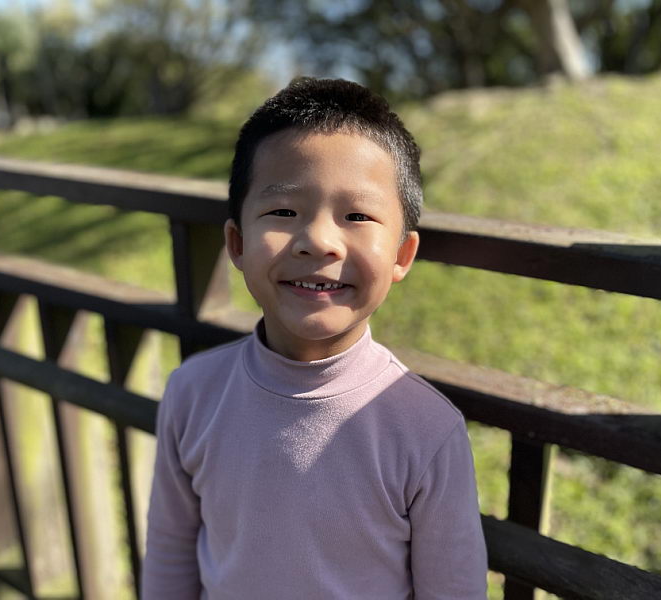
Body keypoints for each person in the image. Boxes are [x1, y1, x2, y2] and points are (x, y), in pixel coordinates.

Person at [142, 77, 488, 599]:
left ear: (401, 255)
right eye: (284, 212)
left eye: (357, 216)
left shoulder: (426, 430)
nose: (319, 241)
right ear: (237, 243)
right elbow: (170, 554)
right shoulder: (192, 393)